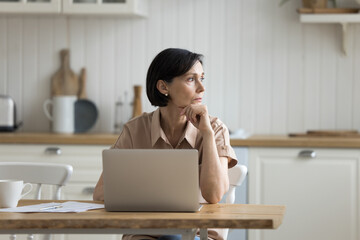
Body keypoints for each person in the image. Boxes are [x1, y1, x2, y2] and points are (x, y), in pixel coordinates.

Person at [93, 48, 238, 240]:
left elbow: (214, 195)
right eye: (191, 79)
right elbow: (101, 193)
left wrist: (207, 135)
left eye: (202, 78)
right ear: (163, 87)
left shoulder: (215, 129)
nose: (202, 88)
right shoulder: (135, 130)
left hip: (199, 234)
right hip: (146, 233)